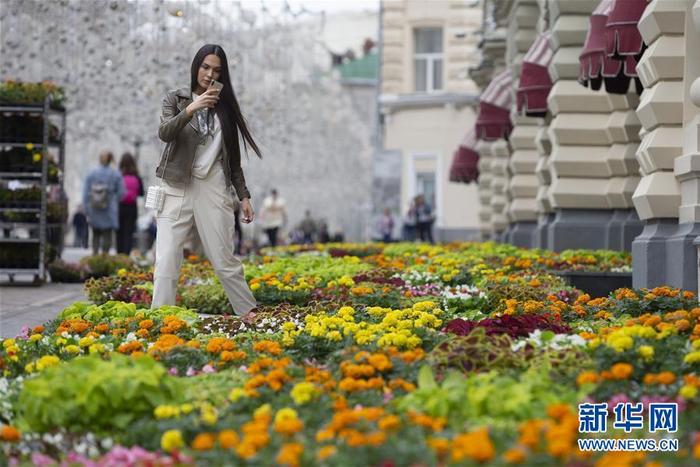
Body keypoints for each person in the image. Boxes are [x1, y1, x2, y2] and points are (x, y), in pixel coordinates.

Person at [152, 44, 261, 323]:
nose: (209, 74)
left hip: (212, 187)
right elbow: (165, 133)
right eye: (205, 67)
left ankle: (250, 313)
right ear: (196, 67)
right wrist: (191, 108)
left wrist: (244, 196)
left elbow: (233, 161)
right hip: (176, 185)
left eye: (216, 70)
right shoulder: (175, 99)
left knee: (224, 258)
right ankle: (160, 321)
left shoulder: (225, 112)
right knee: (166, 259)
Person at [82, 151, 124, 255]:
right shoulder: (115, 174)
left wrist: (86, 208)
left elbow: (85, 192)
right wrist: (114, 199)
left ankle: (95, 257)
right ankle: (104, 259)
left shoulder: (92, 173)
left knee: (95, 234)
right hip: (109, 209)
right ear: (110, 159)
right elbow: (122, 192)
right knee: (107, 235)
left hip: (94, 208)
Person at [116, 153, 144, 255]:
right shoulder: (137, 176)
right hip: (132, 208)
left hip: (120, 207)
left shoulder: (119, 176)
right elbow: (141, 193)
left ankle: (119, 254)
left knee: (119, 232)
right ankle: (126, 255)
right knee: (129, 232)